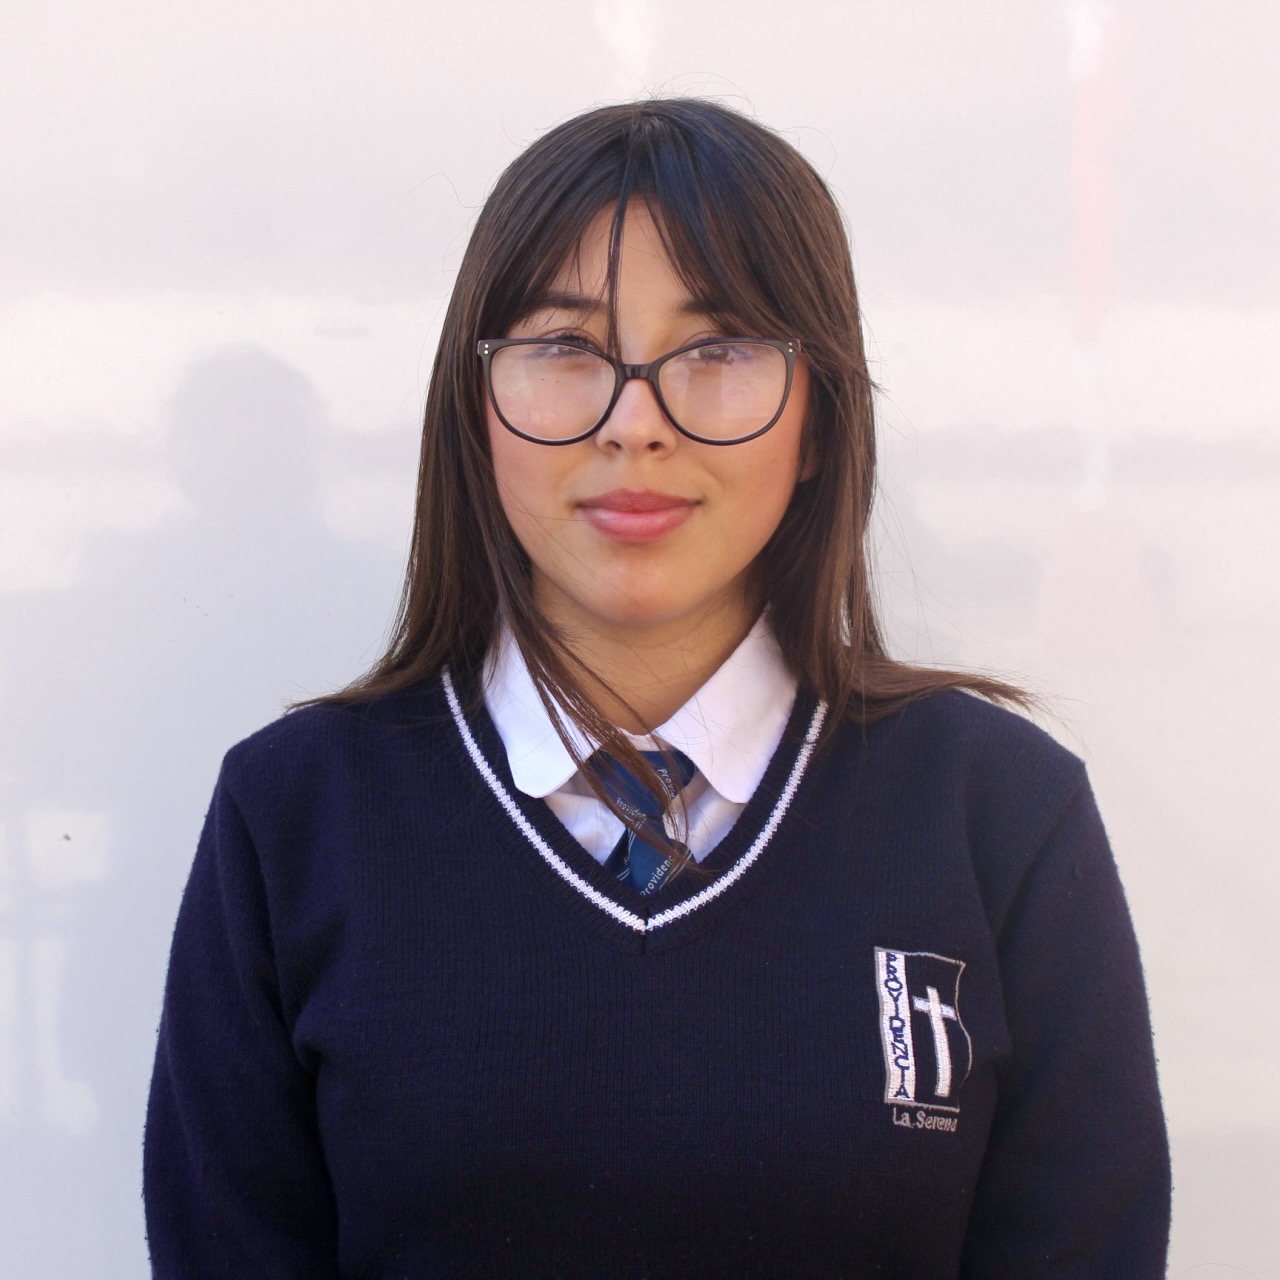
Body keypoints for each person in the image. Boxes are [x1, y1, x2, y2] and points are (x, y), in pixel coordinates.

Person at [143, 98, 1170, 1277]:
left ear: (819, 416)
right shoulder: (293, 814)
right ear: (475, 407)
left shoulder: (999, 810)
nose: (635, 425)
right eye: (564, 348)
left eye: (717, 349)